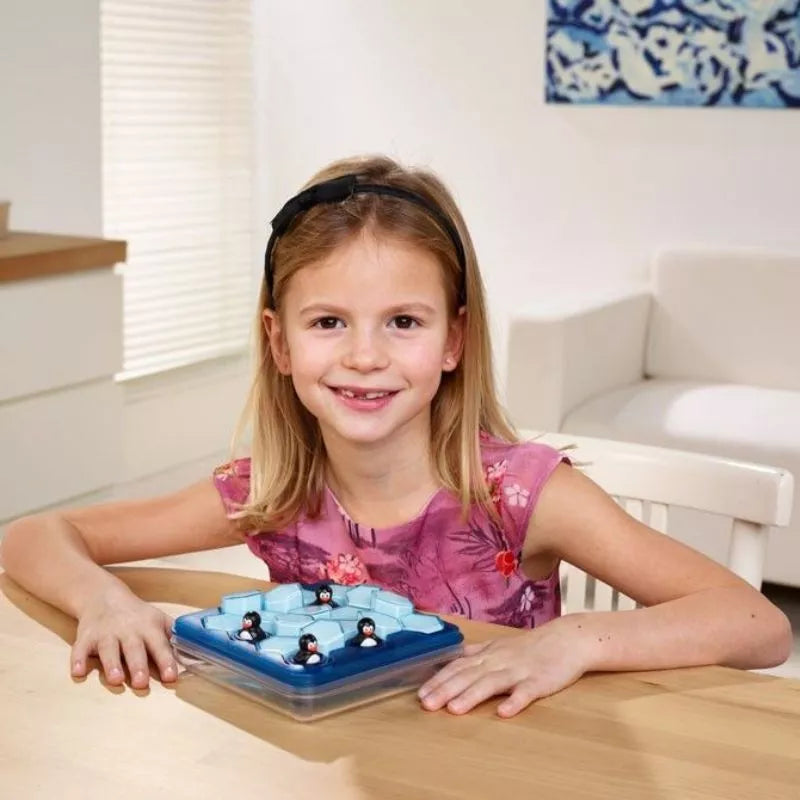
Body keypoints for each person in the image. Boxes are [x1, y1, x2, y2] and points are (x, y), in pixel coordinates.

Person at [1, 155, 791, 718]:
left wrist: (575, 640)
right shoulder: (270, 493)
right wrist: (103, 600)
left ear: (453, 341)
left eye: (403, 322)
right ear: (280, 344)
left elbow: (758, 626)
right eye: (328, 322)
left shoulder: (521, 494)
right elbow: (32, 535)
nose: (365, 356)